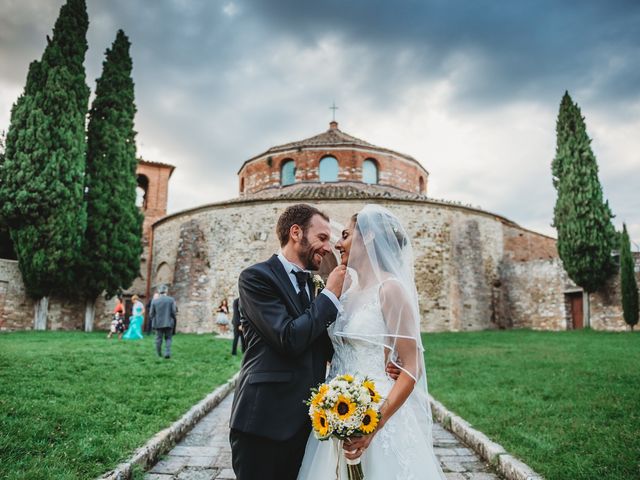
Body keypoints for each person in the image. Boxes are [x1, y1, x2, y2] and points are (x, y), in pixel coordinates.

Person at [297, 205, 446, 479]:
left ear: (369, 238)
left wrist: (372, 425)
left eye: (345, 234)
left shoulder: (390, 289)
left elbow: (412, 367)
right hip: (335, 408)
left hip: (376, 411)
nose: (338, 244)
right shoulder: (346, 291)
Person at [229, 204, 346, 480]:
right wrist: (329, 297)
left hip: (305, 426)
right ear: (296, 233)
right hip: (263, 423)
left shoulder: (311, 284)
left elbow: (322, 345)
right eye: (322, 238)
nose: (327, 248)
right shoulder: (256, 278)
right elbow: (289, 338)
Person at [149, 285, 177, 359]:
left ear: (159, 291)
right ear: (166, 291)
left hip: (158, 323)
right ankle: (167, 352)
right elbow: (174, 312)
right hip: (169, 322)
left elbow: (151, 314)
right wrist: (173, 319)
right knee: (168, 338)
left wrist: (154, 320)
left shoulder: (154, 301)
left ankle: (158, 354)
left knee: (158, 339)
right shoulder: (171, 300)